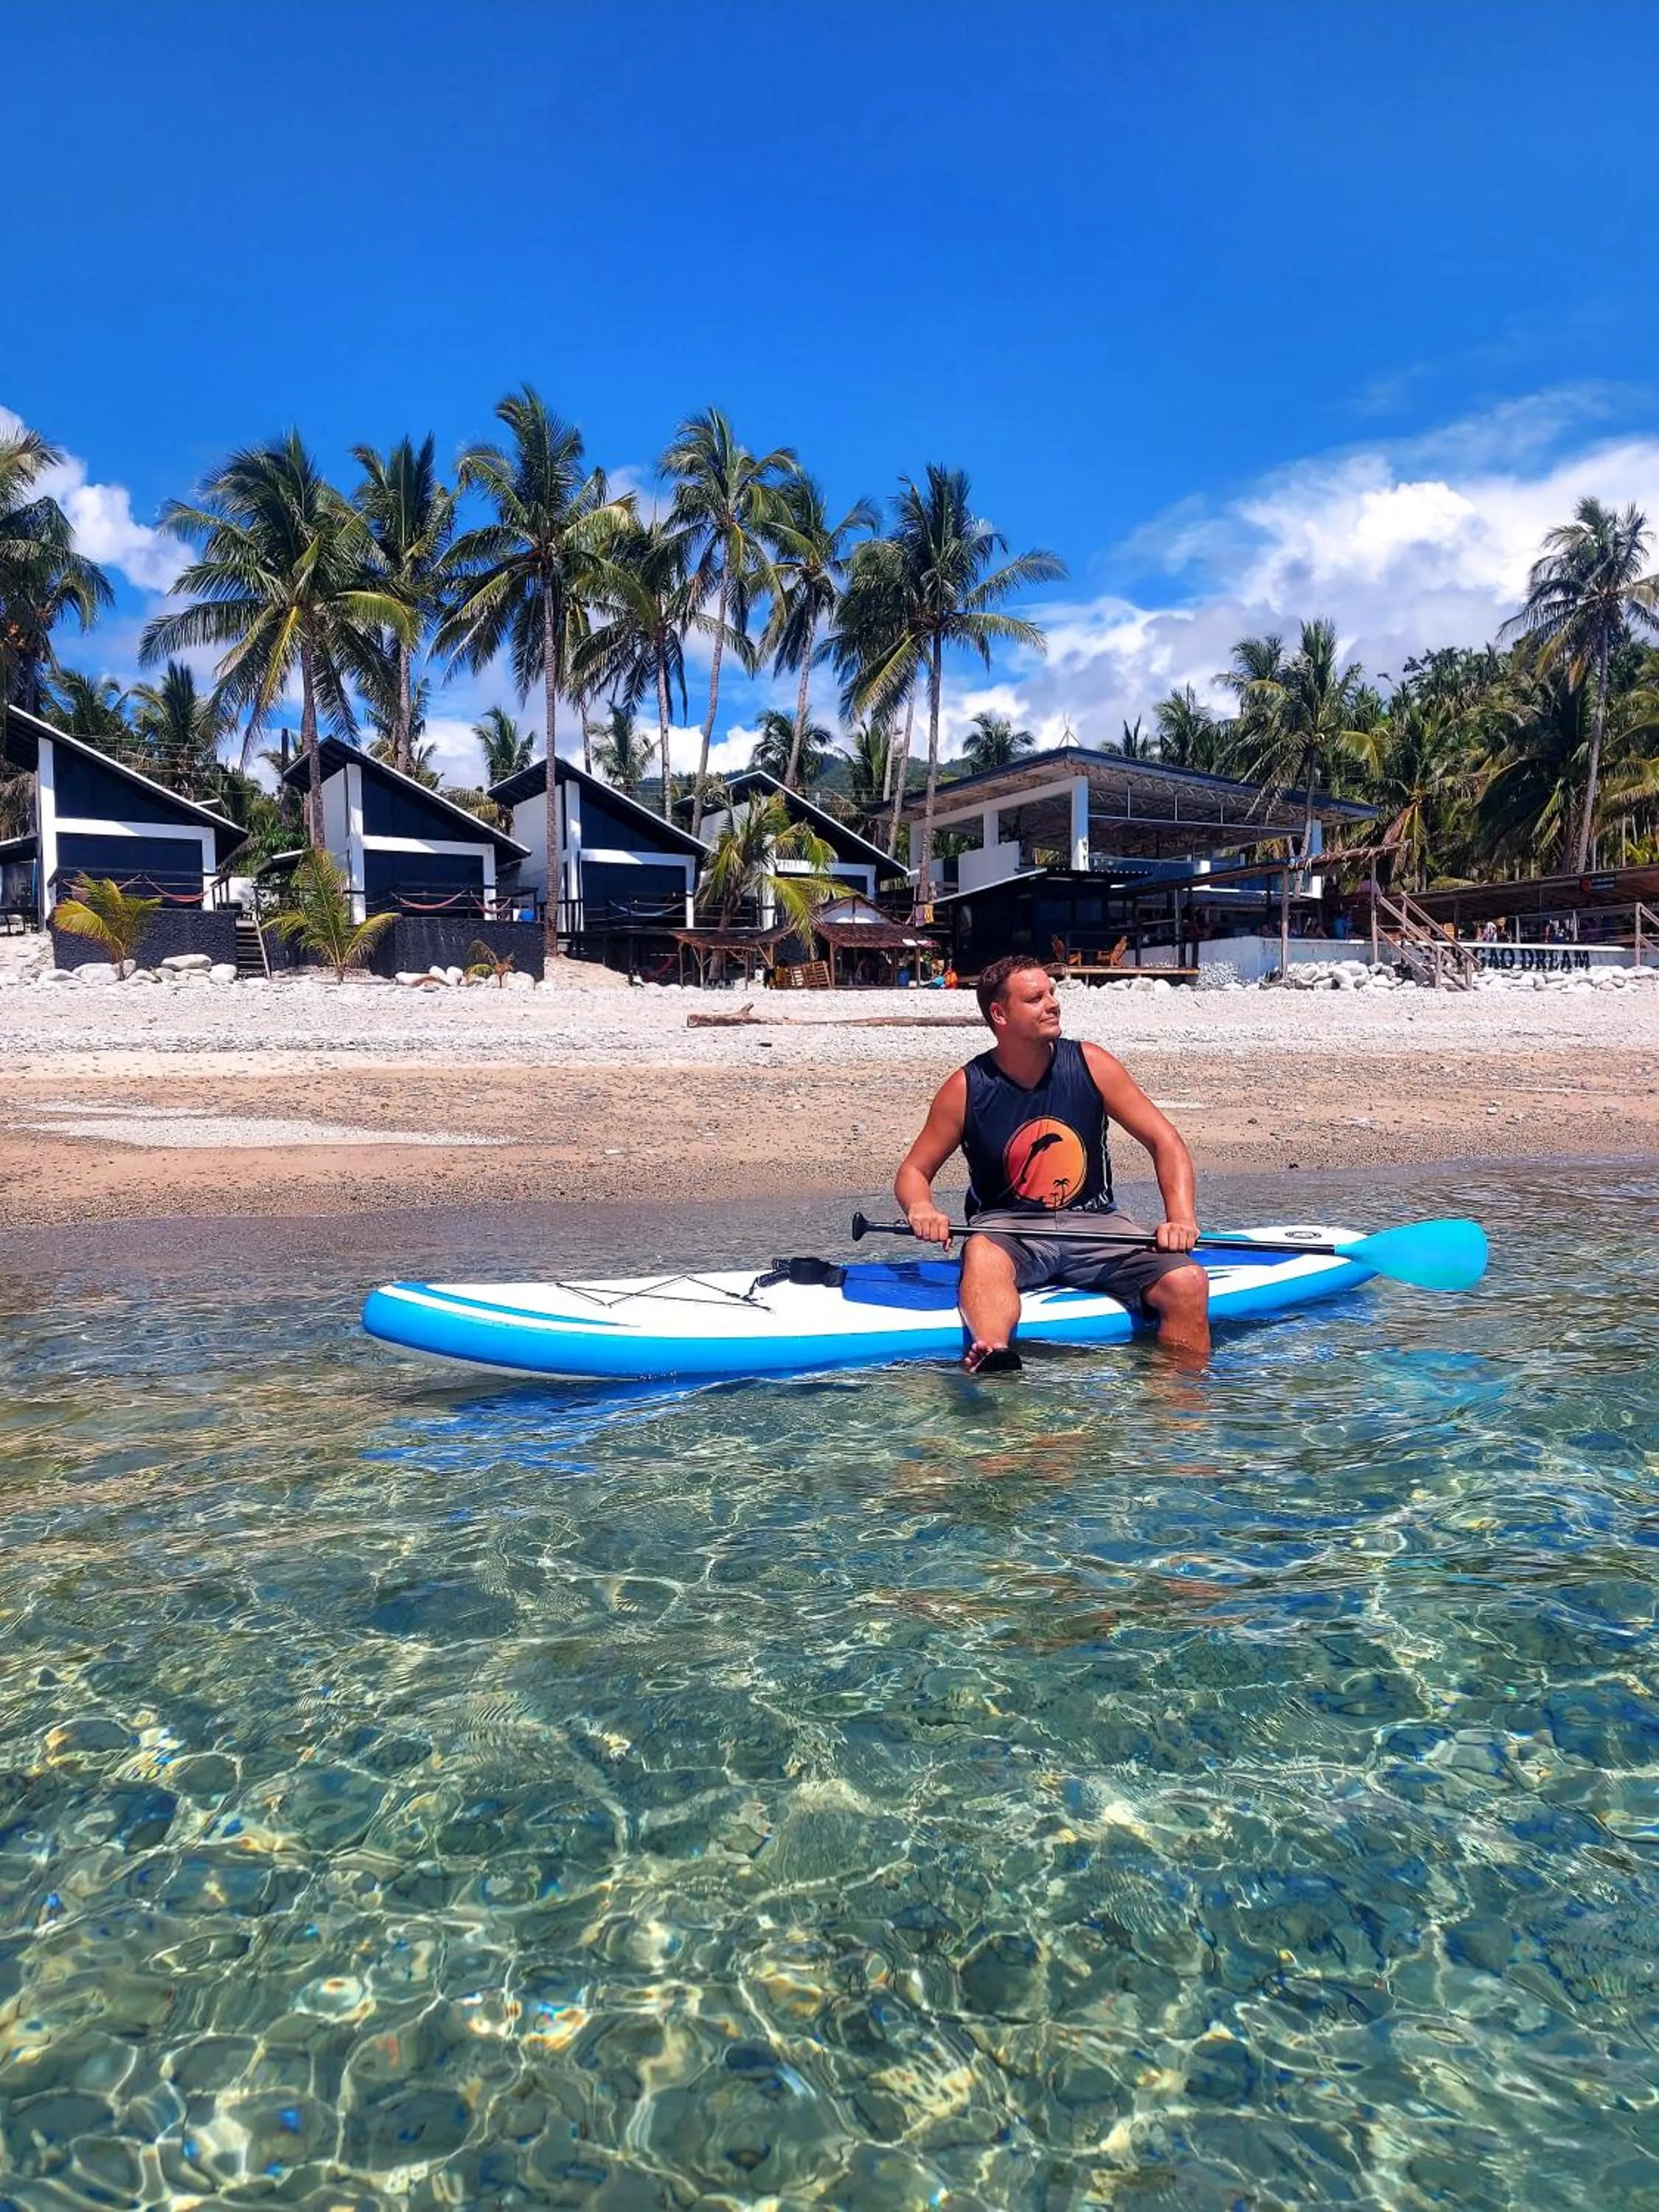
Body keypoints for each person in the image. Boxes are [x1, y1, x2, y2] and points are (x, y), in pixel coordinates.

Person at [894, 953, 1210, 1373]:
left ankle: (1176, 1410)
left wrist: (1181, 1219)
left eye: (1052, 993)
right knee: (983, 1255)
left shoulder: (1092, 1064)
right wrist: (921, 1207)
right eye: (1035, 998)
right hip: (1008, 1229)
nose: (1053, 1003)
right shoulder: (966, 1088)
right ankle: (994, 1358)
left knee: (1187, 1281)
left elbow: (1164, 1139)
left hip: (1098, 1226)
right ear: (999, 1014)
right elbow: (914, 1171)